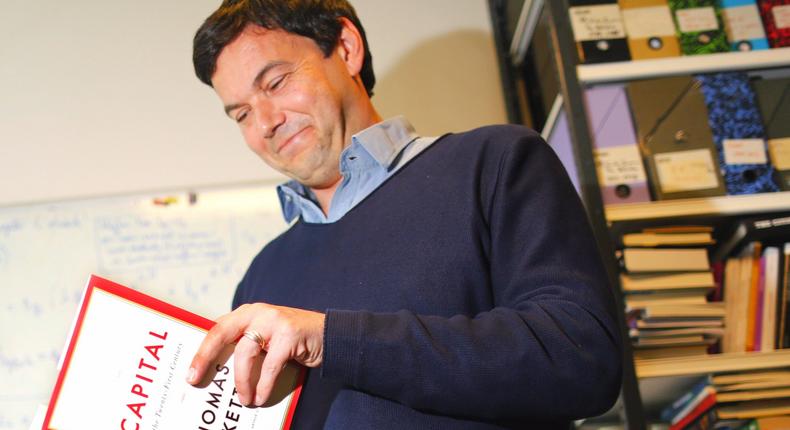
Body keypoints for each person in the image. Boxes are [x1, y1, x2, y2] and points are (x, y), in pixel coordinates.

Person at [187, 0, 623, 428]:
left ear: (346, 47)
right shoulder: (260, 278)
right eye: (241, 114)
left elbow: (581, 360)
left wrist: (332, 340)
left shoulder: (495, 164)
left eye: (277, 82)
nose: (265, 122)